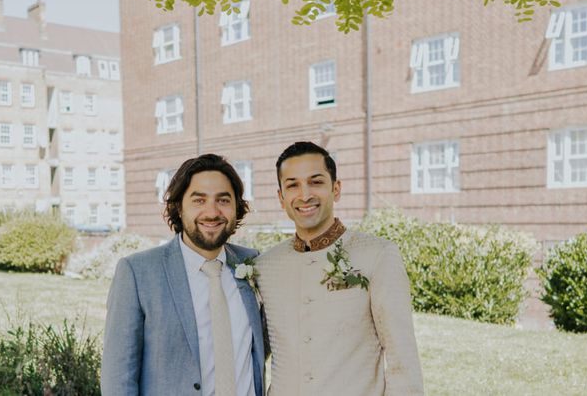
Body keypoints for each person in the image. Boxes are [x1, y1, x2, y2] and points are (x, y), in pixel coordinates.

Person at [255, 141, 424, 395]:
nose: (305, 195)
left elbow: (403, 361)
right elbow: (254, 353)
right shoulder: (265, 265)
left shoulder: (378, 255)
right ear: (281, 198)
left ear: (336, 189)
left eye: (316, 182)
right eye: (292, 185)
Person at [101, 153, 265, 396]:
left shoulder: (256, 264)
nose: (212, 212)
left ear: (237, 207)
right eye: (199, 200)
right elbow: (118, 380)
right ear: (179, 207)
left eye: (223, 200)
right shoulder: (137, 273)